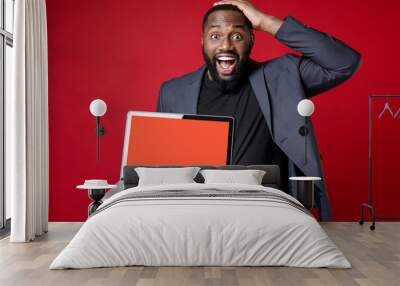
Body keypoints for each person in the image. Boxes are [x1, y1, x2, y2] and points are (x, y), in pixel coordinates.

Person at [156, 0, 361, 221]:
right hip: (198, 215)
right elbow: (163, 168)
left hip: (270, 213)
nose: (225, 46)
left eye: (237, 36)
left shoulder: (282, 76)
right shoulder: (173, 92)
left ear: (252, 39)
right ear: (202, 41)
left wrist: (267, 22)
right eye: (215, 36)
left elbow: (343, 62)